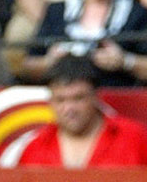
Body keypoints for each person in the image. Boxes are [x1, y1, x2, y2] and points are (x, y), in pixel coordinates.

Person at [22, 0, 147, 86]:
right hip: (64, 94)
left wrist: (125, 62)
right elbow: (28, 65)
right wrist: (49, 61)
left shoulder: (137, 13)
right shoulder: (57, 11)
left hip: (115, 92)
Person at [18, 54, 147, 166]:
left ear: (96, 97)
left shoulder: (135, 139)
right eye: (60, 100)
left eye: (78, 98)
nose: (69, 108)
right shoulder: (35, 148)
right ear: (50, 101)